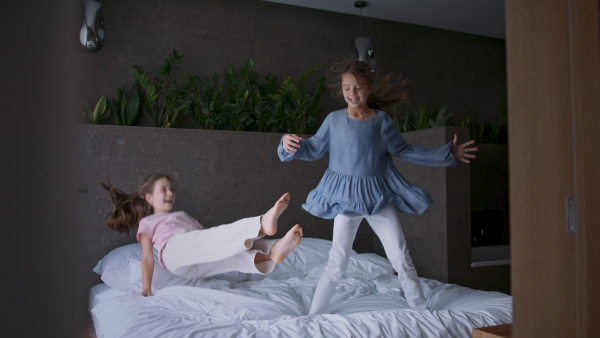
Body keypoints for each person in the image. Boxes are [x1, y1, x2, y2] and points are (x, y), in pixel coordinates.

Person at [278, 59, 477, 314]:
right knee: (337, 263)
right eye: (347, 88)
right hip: (345, 201)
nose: (353, 93)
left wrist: (448, 154)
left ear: (368, 89)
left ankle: (421, 312)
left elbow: (405, 150)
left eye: (358, 87)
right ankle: (313, 316)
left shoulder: (381, 121)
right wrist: (286, 141)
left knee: (401, 258)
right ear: (342, 90)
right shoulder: (334, 120)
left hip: (378, 200)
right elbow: (313, 148)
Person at [101, 173, 304, 297]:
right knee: (218, 236)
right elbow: (147, 257)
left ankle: (271, 253)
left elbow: (206, 238)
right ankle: (261, 224)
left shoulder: (177, 217)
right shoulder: (148, 223)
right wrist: (146, 288)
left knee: (229, 256)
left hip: (192, 263)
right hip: (173, 253)